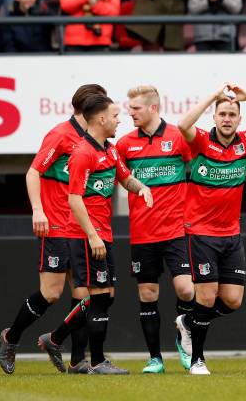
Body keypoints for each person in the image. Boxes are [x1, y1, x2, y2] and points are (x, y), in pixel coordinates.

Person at [37, 94, 153, 375]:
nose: (119, 120)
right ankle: (97, 361)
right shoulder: (82, 153)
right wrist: (92, 235)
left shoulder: (110, 150)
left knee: (105, 297)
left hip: (104, 233)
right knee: (99, 296)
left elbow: (125, 177)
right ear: (101, 119)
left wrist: (141, 187)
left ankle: (54, 338)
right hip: (86, 235)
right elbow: (74, 198)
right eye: (115, 116)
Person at [175, 83, 246, 375]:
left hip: (231, 234)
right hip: (200, 233)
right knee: (206, 297)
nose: (226, 118)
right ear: (214, 117)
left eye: (232, 114)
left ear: (238, 119)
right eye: (222, 114)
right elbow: (182, 124)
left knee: (233, 301)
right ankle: (198, 359)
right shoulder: (200, 142)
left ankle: (188, 322)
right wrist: (212, 95)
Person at [0, 84, 107, 375]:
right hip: (58, 224)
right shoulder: (61, 135)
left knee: (85, 296)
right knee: (51, 293)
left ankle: (75, 360)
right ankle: (12, 337)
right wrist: (38, 210)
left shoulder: (95, 140)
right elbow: (33, 171)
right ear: (90, 110)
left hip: (81, 227)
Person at [115, 85, 195, 373]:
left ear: (152, 108)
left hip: (176, 230)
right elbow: (120, 180)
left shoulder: (178, 137)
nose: (130, 113)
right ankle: (155, 359)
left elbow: (198, 170)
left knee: (186, 290)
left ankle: (183, 338)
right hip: (142, 233)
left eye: (135, 108)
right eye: (129, 108)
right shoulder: (123, 144)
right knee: (148, 294)